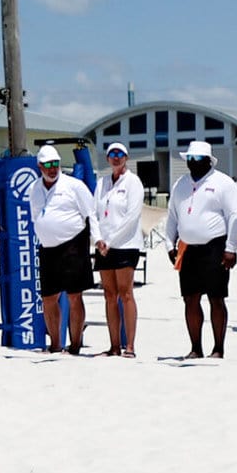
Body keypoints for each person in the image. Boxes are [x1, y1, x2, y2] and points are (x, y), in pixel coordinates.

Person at [165, 142, 237, 358]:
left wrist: (231, 248)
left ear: (209, 161)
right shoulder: (180, 184)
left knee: (216, 298)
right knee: (190, 298)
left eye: (197, 159)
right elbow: (172, 216)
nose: (192, 163)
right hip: (187, 247)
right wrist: (169, 244)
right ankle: (195, 347)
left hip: (215, 246)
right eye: (189, 158)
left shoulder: (223, 183)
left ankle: (218, 348)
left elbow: (235, 215)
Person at [30, 144, 99, 352]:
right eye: (48, 165)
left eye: (56, 164)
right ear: (40, 166)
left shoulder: (74, 185)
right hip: (48, 248)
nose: (53, 168)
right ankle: (55, 344)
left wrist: (98, 239)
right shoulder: (34, 188)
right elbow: (35, 215)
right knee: (48, 298)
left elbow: (91, 213)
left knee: (74, 295)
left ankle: (76, 344)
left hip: (73, 244)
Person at [93, 142, 145, 356]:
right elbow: (94, 214)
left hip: (125, 245)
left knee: (126, 293)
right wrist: (97, 239)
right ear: (107, 159)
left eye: (120, 155)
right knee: (109, 294)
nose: (116, 158)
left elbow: (131, 217)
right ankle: (114, 345)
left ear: (126, 157)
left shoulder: (133, 182)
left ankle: (129, 345)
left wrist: (110, 241)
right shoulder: (102, 182)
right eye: (112, 155)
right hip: (104, 245)